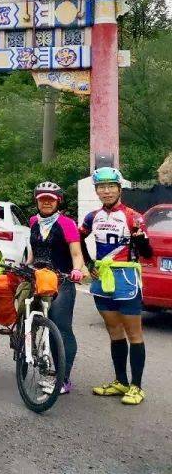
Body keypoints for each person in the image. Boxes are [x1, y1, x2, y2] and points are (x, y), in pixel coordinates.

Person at [80, 167, 151, 406]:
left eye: (111, 186)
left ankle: (137, 386)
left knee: (134, 334)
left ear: (119, 189)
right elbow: (79, 238)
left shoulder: (133, 216)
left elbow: (148, 254)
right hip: (102, 278)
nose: (106, 191)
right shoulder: (92, 217)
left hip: (127, 279)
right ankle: (120, 381)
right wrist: (89, 262)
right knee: (114, 332)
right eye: (102, 187)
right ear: (97, 191)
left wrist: (140, 241)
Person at [27, 181, 85, 394]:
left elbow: (77, 254)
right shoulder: (33, 221)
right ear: (37, 201)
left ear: (58, 201)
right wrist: (24, 264)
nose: (46, 203)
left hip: (62, 280)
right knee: (28, 319)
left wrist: (77, 270)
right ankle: (28, 356)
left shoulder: (67, 223)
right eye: (42, 199)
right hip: (38, 278)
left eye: (50, 199)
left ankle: (63, 379)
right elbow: (32, 250)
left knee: (60, 327)